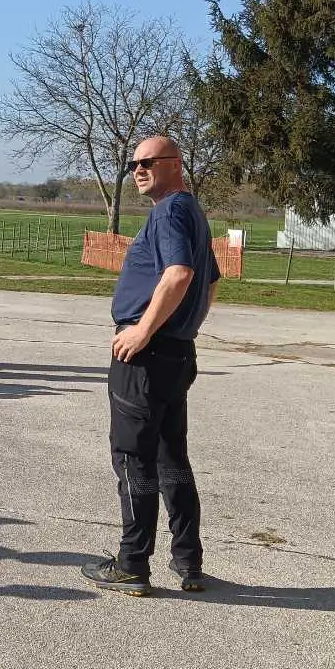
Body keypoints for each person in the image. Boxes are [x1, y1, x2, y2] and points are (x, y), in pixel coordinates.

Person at [87, 136, 221, 598]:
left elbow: (181, 274)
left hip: (147, 357)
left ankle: (131, 563)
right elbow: (210, 286)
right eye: (133, 163)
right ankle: (189, 562)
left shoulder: (169, 211)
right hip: (176, 354)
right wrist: (185, 330)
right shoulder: (192, 212)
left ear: (175, 164)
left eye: (147, 162)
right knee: (171, 458)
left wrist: (144, 330)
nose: (138, 169)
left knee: (132, 457)